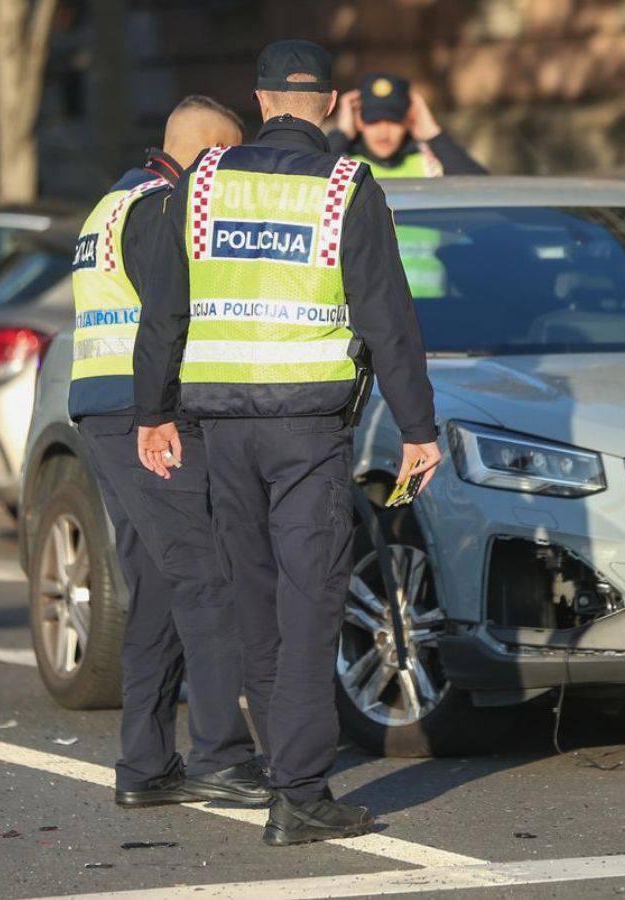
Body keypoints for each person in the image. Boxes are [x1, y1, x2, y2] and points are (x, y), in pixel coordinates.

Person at [132, 39, 442, 846]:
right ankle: (299, 794)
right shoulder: (347, 187)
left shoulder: (200, 184)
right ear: (332, 103)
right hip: (306, 433)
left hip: (220, 432)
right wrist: (418, 428)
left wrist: (151, 414)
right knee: (309, 609)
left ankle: (286, 776)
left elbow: (164, 309)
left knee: (258, 607)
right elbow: (389, 319)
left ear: (262, 100)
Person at [71, 96, 272, 811]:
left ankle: (147, 764)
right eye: (231, 156)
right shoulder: (166, 209)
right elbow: (170, 318)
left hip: (102, 409)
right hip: (146, 416)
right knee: (206, 579)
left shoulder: (114, 202)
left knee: (157, 588)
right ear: (209, 152)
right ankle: (220, 754)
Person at [328, 73, 485, 179]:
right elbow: (307, 181)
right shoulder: (343, 166)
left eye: (393, 121)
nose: (384, 133)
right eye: (373, 121)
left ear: (408, 120)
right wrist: (342, 134)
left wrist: (433, 134)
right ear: (358, 121)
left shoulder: (429, 164)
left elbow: (483, 191)